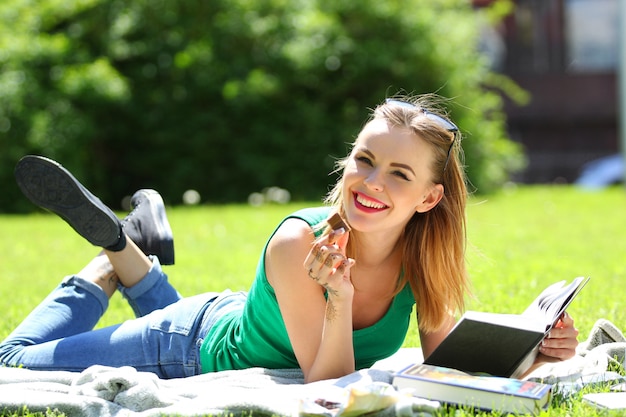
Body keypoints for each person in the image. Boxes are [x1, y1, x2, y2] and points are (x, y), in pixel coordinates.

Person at [0, 95, 579, 383]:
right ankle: (105, 268)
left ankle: (132, 250)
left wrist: (531, 353)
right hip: (183, 347)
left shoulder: (419, 255)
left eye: (399, 174)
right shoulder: (299, 245)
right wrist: (341, 300)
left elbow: (441, 362)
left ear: (430, 198)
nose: (370, 183)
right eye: (364, 160)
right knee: (12, 363)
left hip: (237, 318)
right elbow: (323, 386)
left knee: (195, 311)